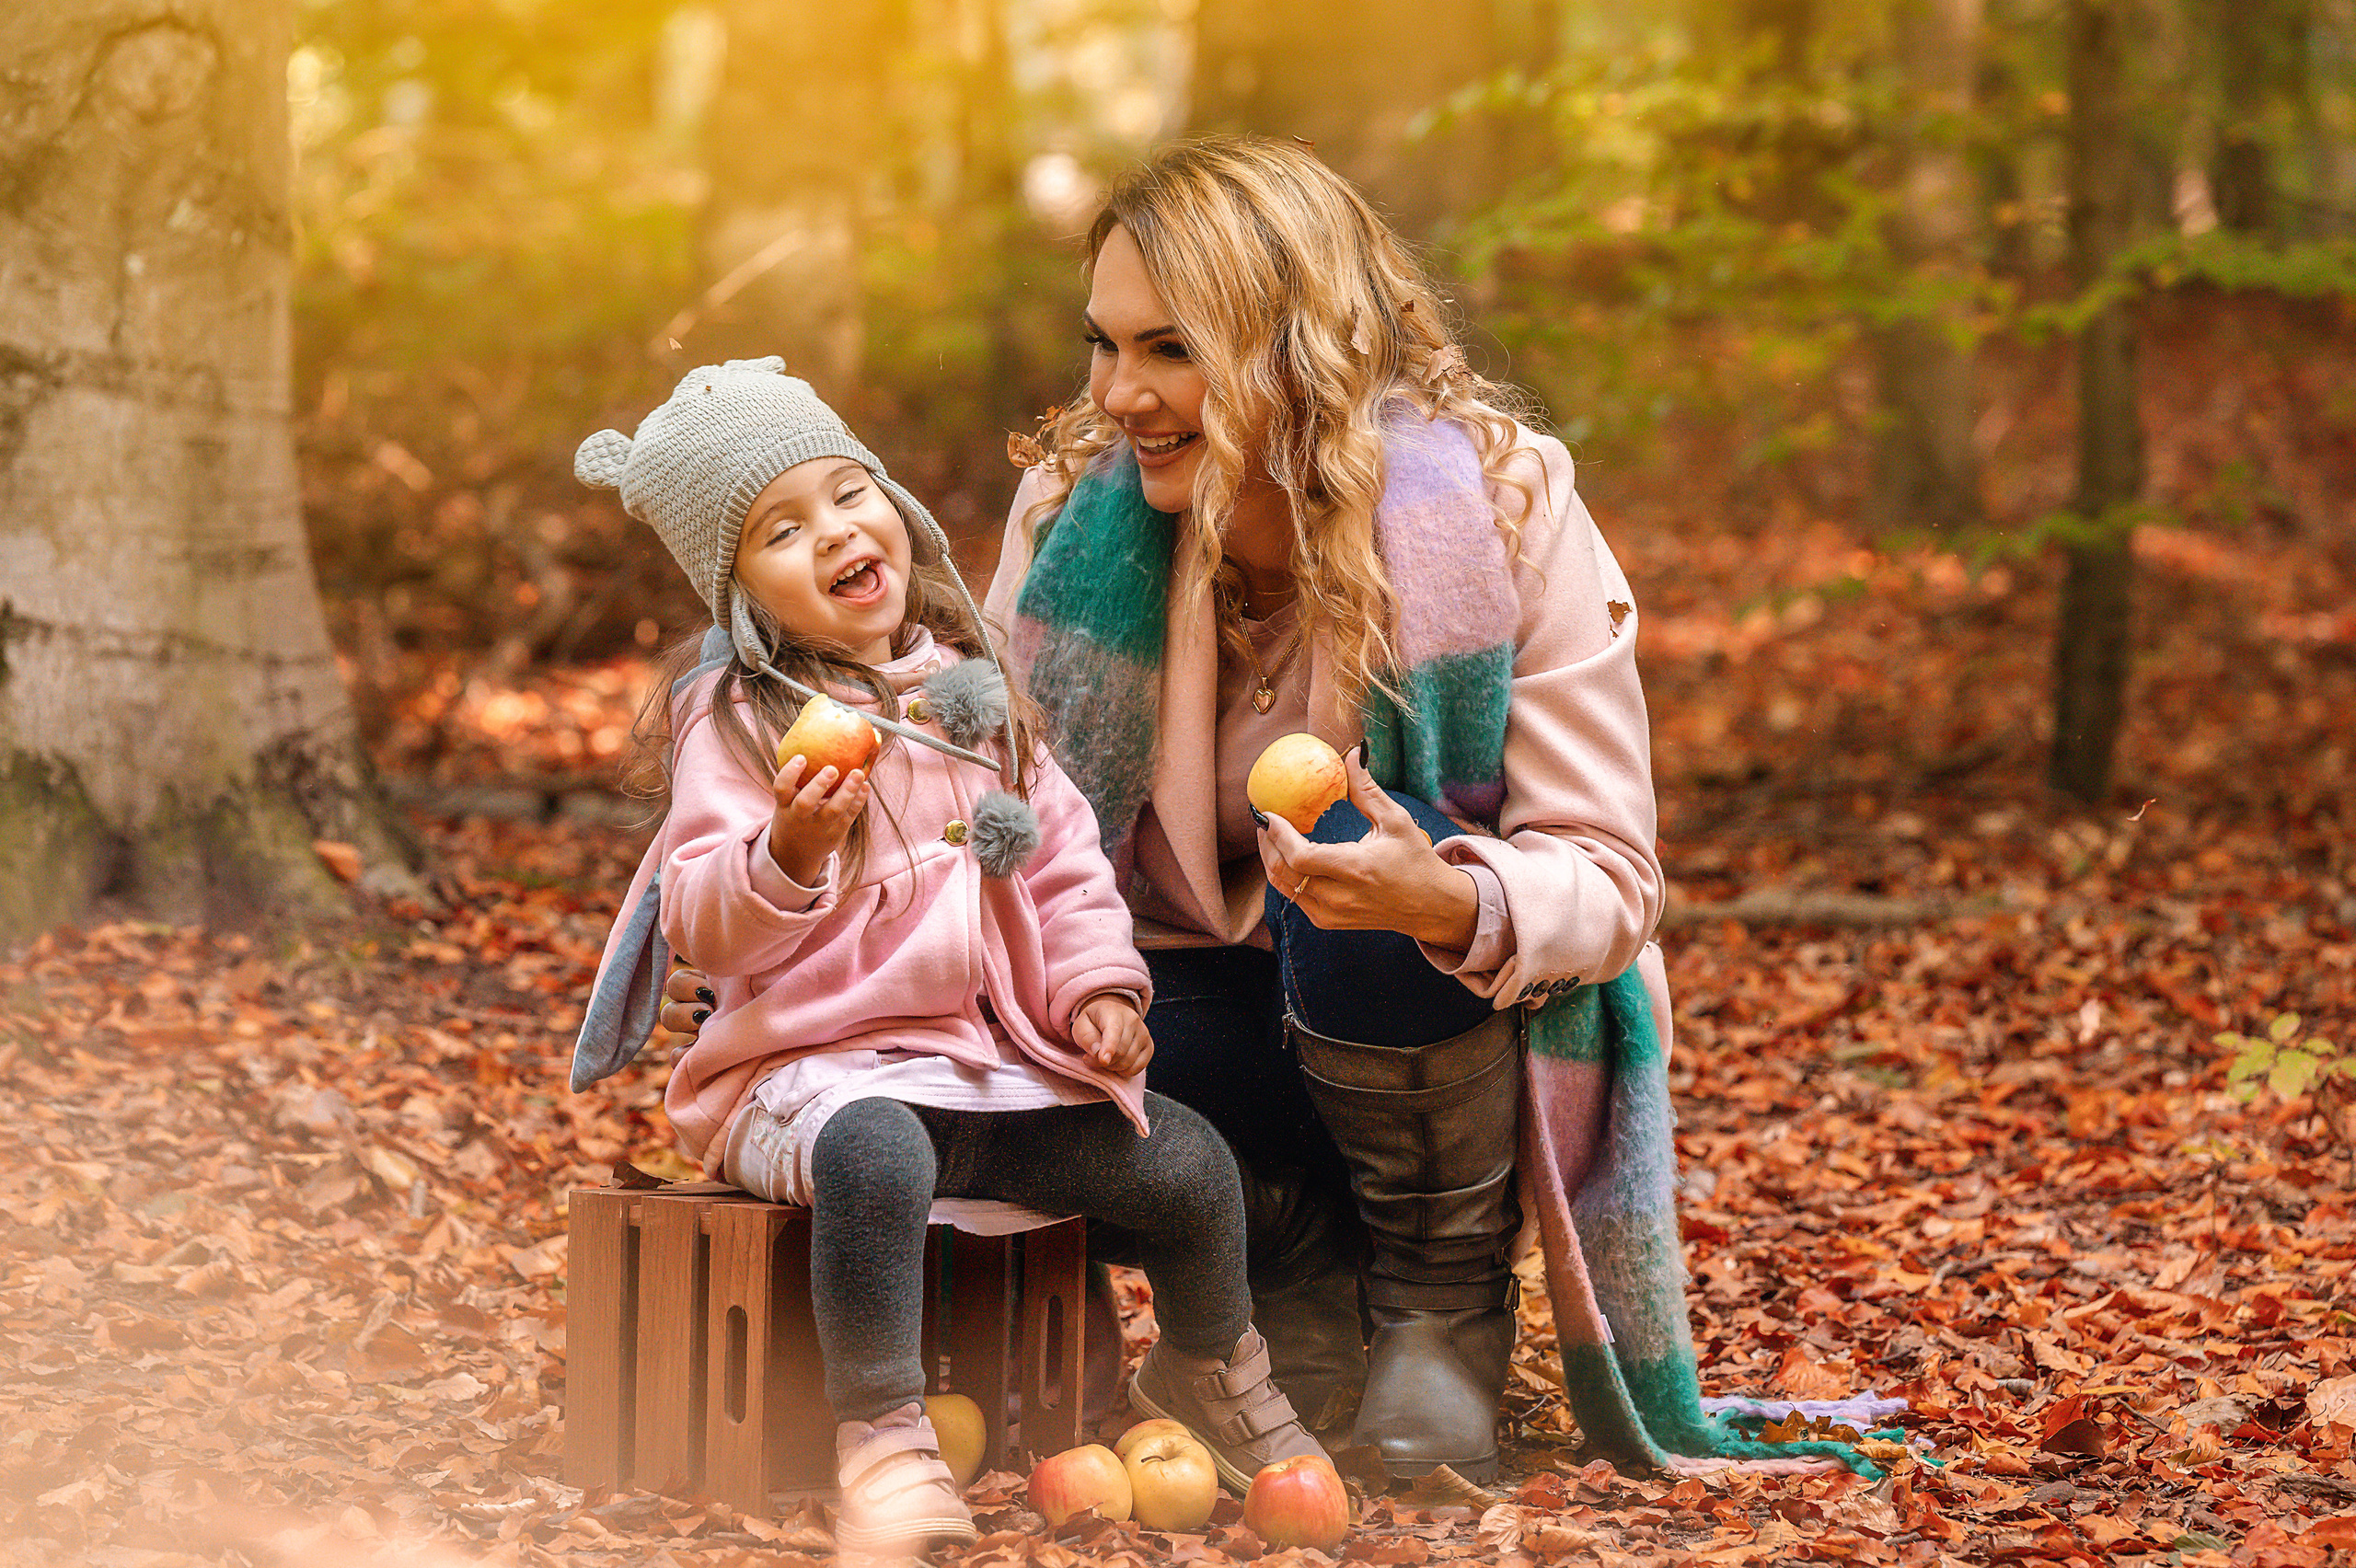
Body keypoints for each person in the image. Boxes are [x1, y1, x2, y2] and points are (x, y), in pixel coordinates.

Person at [975, 136, 1681, 1489]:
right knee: (1000, 1035)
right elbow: (1011, 834)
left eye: (1171, 350)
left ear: (1294, 348)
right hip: (1193, 1017)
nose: (1121, 394)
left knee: (1357, 849)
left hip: (1437, 1030)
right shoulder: (1070, 518)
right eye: (1104, 345)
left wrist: (1451, 897)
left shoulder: (1502, 497)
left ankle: (1435, 1303)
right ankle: (1282, 1268)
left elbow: (1612, 872)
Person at [572, 358, 1325, 1556]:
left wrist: (1098, 992)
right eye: (781, 529)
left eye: (847, 494)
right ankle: (883, 1433)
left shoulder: (973, 703)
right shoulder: (741, 726)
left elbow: (1066, 865)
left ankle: (1206, 1367)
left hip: (980, 1069)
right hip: (811, 1087)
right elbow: (699, 915)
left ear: (895, 513)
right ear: (742, 594)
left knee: (1184, 1159)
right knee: (875, 1152)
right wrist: (788, 848)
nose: (833, 534)